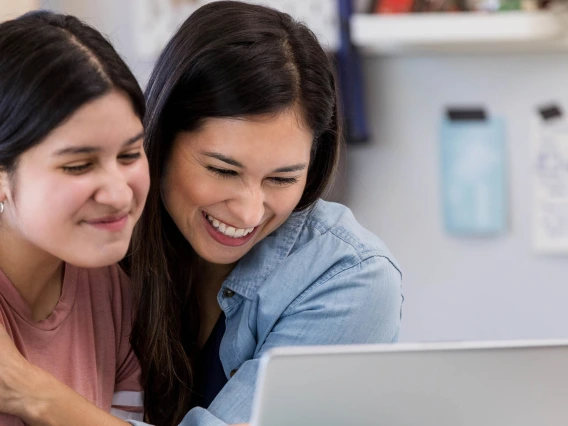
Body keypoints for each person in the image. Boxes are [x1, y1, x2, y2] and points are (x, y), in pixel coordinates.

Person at [0, 2, 402, 426]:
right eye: (221, 170)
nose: (248, 210)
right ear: (163, 140)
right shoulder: (107, 249)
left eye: (282, 179)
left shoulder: (347, 276)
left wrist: (30, 391)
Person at [0, 10, 150, 425]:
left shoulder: (109, 291)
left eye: (130, 155)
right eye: (79, 165)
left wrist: (33, 393)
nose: (120, 193)